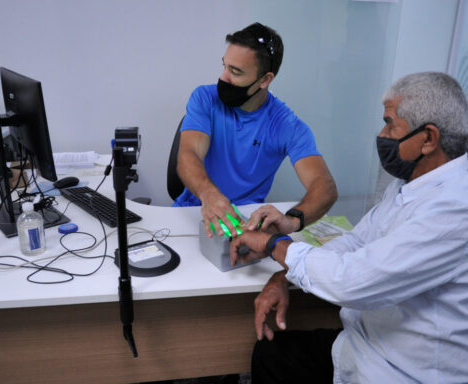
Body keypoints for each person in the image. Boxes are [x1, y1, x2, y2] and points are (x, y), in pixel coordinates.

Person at [230, 72, 468, 383]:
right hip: (365, 344)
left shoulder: (455, 208)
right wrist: (285, 273)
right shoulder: (409, 185)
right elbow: (356, 243)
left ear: (428, 139)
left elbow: (352, 281)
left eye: (390, 124)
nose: (382, 135)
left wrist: (275, 245)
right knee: (271, 355)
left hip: (401, 371)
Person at [174, 22, 337, 237]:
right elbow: (188, 154)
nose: (223, 77)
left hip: (246, 225)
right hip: (194, 211)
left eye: (236, 71)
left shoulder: (286, 125)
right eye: (224, 66)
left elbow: (324, 187)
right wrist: (209, 194)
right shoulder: (205, 99)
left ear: (265, 80)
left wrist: (292, 221)